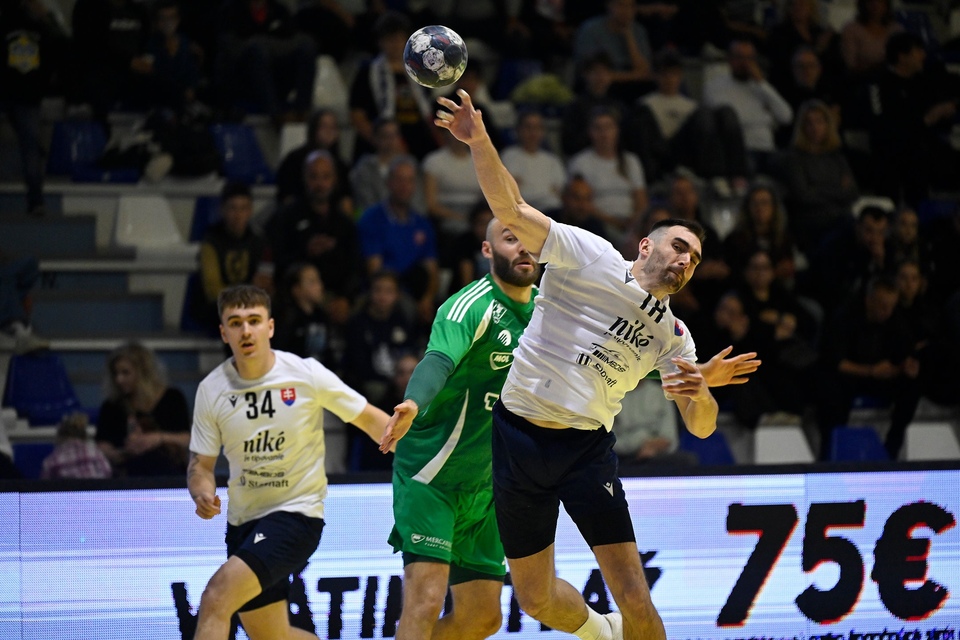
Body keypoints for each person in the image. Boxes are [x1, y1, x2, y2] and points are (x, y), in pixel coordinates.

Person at [428, 89, 740, 640]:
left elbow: (701, 425)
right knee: (536, 598)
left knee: (636, 599)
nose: (686, 259)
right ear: (646, 246)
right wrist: (479, 141)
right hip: (517, 437)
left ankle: (627, 628)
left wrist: (702, 389)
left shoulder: (673, 335)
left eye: (694, 257)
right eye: (679, 245)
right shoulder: (591, 254)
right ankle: (601, 633)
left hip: (584, 451)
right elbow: (512, 211)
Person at [188, 284, 390, 640]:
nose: (245, 330)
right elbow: (201, 465)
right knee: (274, 637)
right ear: (223, 332)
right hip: (243, 523)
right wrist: (202, 492)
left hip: (296, 516)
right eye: (235, 323)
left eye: (254, 320)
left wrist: (426, 454)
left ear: (270, 327)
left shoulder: (305, 373)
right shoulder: (212, 388)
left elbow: (373, 421)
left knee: (216, 596)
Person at [0, 0, 67, 216]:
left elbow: (61, 49)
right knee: (30, 149)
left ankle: (36, 201)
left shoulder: (42, 25)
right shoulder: (40, 26)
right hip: (23, 95)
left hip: (26, 96)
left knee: (30, 149)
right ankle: (36, 202)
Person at [357, 158, 440, 324]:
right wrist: (397, 295)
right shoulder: (372, 219)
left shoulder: (422, 223)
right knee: (404, 307)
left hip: (414, 290)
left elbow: (432, 270)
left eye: (409, 180)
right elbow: (375, 271)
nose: (404, 186)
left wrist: (427, 299)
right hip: (384, 291)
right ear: (388, 183)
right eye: (399, 180)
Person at [95, 342, 191, 477]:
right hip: (127, 474)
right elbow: (102, 443)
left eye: (125, 373)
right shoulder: (112, 405)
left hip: (168, 473)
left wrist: (156, 439)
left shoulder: (172, 398)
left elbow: (186, 438)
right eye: (116, 373)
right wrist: (116, 453)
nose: (119, 379)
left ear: (143, 372)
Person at [703, 39, 794, 176]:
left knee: (791, 163)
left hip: (768, 149)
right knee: (748, 166)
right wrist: (764, 117)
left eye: (750, 58)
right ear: (730, 59)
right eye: (740, 57)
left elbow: (786, 117)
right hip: (741, 150)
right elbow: (731, 119)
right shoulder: (715, 86)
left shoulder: (761, 86)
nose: (745, 63)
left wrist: (761, 83)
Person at [782, 99, 859, 256]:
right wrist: (838, 190)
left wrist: (817, 189)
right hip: (811, 223)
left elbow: (852, 192)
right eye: (809, 123)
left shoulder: (837, 157)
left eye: (819, 121)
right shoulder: (795, 158)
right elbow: (803, 196)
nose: (814, 127)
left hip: (840, 218)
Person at [193, 181, 271, 329]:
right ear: (222, 210)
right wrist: (247, 294)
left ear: (250, 210)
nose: (238, 215)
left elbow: (264, 281)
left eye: (243, 208)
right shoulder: (211, 242)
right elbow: (213, 290)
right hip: (218, 308)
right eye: (232, 208)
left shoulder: (259, 241)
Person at [501, 110, 567, 213]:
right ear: (519, 130)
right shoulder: (509, 156)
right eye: (528, 127)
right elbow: (509, 192)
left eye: (537, 128)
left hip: (550, 212)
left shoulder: (552, 160)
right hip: (520, 212)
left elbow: (558, 192)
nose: (533, 132)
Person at [40, 412, 112, 480]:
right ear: (84, 436)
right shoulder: (95, 453)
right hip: (95, 492)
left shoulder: (52, 460)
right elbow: (107, 473)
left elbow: (45, 487)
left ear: (60, 437)